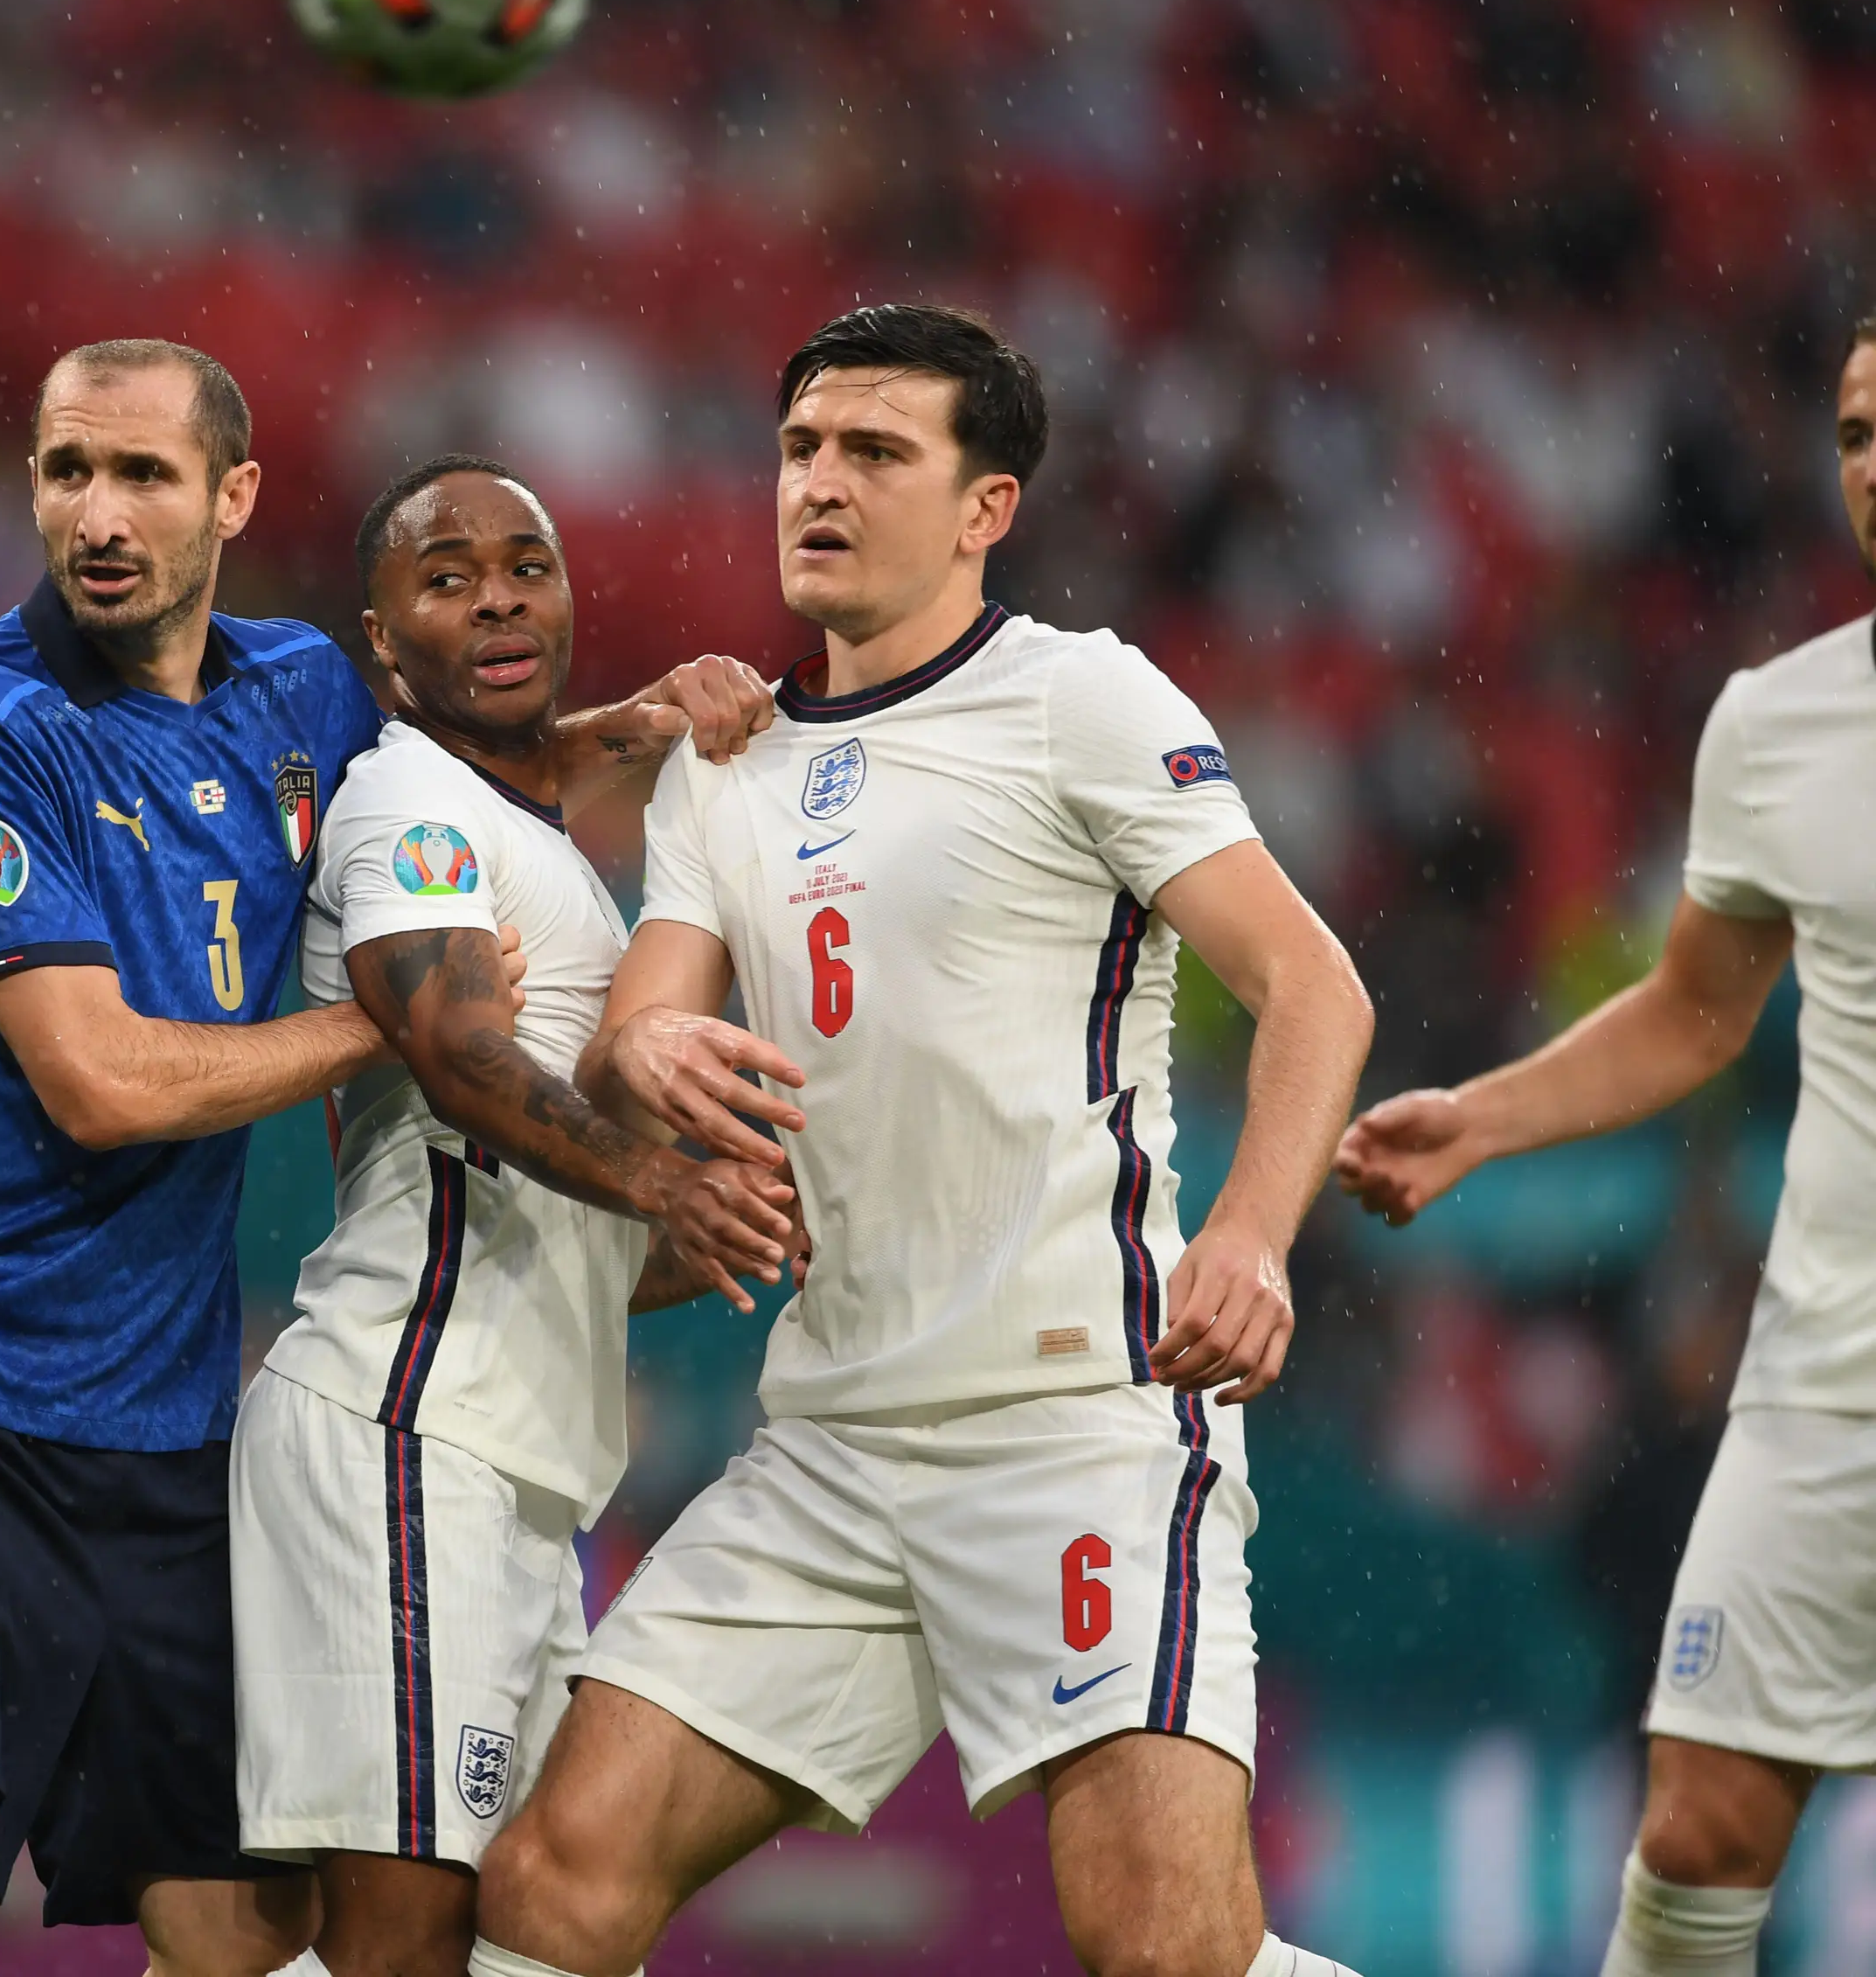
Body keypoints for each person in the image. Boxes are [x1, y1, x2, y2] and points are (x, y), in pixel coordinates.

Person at [0, 341, 769, 1977]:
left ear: (235, 497)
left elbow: (465, 780)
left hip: (167, 1433)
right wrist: (395, 1022)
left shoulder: (303, 696)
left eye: (145, 476)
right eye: (67, 472)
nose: (99, 514)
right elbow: (99, 1082)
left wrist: (649, 724)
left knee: (246, 1934)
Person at [469, 305, 1377, 1977]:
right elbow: (631, 1030)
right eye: (803, 448)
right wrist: (650, 1034)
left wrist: (1249, 1234)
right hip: (833, 1441)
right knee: (553, 1885)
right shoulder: (723, 772)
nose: (821, 482)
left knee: (1162, 1944)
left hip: (1076, 1419)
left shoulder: (1080, 699)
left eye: (877, 452)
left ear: (986, 510)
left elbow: (1314, 988)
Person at [1334, 315, 1876, 1977]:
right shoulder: (1778, 725)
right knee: (1703, 1822)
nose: (1874, 464)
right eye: (1855, 431)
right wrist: (1483, 1119)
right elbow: (1700, 1013)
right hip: (1829, 1377)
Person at [230, 458, 805, 1977]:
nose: (495, 594)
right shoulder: (403, 810)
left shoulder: (535, 829)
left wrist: (742, 1230)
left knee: (544, 1930)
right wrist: (671, 1176)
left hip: (513, 1465)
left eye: (526, 565)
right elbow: (466, 1064)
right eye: (447, 574)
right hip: (404, 1431)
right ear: (383, 643)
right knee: (404, 1947)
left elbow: (574, 1249)